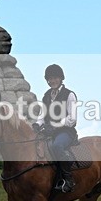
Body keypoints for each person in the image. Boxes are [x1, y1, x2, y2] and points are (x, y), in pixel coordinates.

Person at [33, 64, 78, 193]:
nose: (52, 81)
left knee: (56, 146)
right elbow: (42, 115)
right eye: (49, 79)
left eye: (55, 78)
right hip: (48, 131)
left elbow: (72, 119)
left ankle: (68, 180)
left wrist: (55, 126)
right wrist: (38, 124)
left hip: (66, 132)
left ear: (61, 78)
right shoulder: (46, 96)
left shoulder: (69, 95)